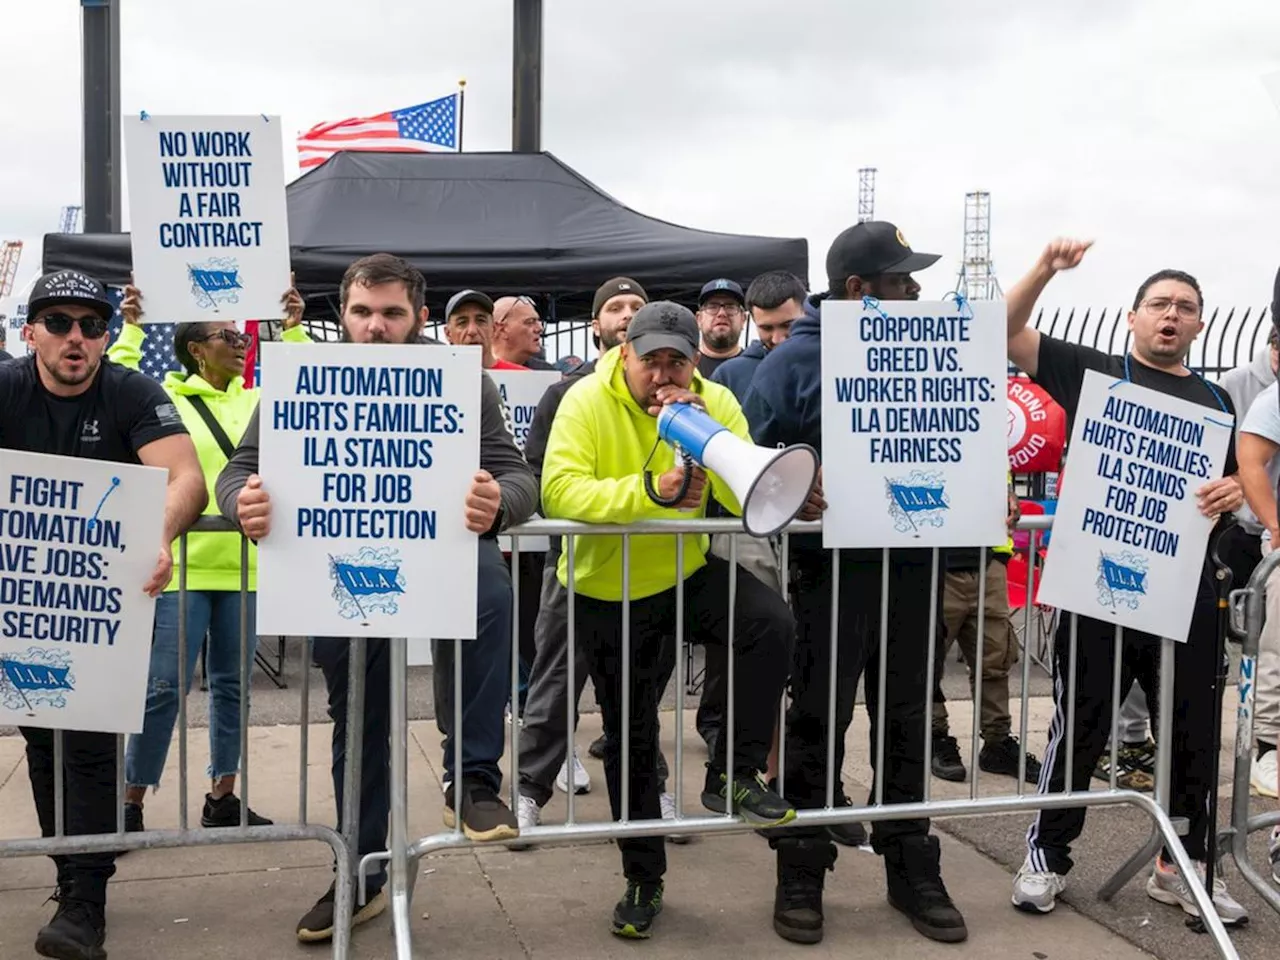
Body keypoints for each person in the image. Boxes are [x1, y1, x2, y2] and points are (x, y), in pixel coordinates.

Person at [215, 254, 538, 943]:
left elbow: (516, 475)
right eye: (362, 312)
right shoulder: (304, 378)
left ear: (419, 316)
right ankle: (359, 868)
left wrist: (498, 504)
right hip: (337, 567)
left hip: (440, 554)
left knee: (490, 591)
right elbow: (243, 468)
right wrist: (241, 502)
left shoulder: (462, 380)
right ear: (343, 315)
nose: (376, 326)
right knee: (358, 716)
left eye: (392, 313)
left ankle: (474, 779)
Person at [1006, 239, 1248, 925]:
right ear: (1133, 316)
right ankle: (1048, 857)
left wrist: (1233, 489)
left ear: (1200, 325)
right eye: (1159, 304)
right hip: (1098, 590)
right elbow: (1004, 333)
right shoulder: (1090, 372)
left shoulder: (1215, 402)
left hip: (1185, 593)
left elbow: (1236, 484)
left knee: (1193, 735)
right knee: (1079, 728)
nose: (1172, 315)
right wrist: (1046, 270)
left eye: (1186, 308)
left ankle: (1182, 867)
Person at [541, 300, 797, 939]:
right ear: (624, 354)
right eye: (649, 360)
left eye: (675, 362)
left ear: (693, 363)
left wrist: (717, 442)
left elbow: (749, 492)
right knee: (632, 738)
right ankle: (643, 876)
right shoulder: (584, 401)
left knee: (770, 623)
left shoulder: (712, 398)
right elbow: (559, 490)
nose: (661, 375)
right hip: (609, 586)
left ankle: (731, 774)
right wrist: (649, 492)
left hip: (682, 572)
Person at [744, 220, 967, 946]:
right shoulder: (793, 363)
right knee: (818, 721)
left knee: (907, 719)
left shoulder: (935, 351)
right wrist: (796, 484)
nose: (914, 291)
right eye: (901, 281)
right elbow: (753, 462)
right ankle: (801, 869)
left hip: (912, 565)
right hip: (830, 572)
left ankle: (912, 866)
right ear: (857, 290)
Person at [0, 270, 207, 960]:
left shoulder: (132, 392)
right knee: (43, 741)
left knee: (86, 747)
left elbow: (187, 478)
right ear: (30, 332)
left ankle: (85, 900)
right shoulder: (6, 389)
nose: (76, 337)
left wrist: (161, 532)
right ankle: (74, 871)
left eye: (91, 324)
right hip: (24, 600)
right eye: (58, 323)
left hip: (103, 602)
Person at [110, 283, 310, 834]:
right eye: (229, 335)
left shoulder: (256, 400)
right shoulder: (162, 398)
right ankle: (130, 801)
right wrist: (130, 326)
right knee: (163, 686)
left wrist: (291, 323)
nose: (243, 343)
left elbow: (306, 385)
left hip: (243, 568)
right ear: (196, 348)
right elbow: (114, 384)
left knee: (233, 685)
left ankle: (223, 795)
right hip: (182, 567)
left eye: (244, 335)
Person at [514, 278, 651, 833]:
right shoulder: (564, 393)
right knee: (555, 682)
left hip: (650, 566)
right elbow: (539, 476)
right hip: (574, 565)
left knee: (638, 693)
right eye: (613, 308)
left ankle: (651, 789)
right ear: (596, 325)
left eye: (636, 307)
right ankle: (529, 792)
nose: (625, 315)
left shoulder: (676, 389)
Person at [931, 485, 1042, 784]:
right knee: (927, 659)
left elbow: (999, 478)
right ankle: (933, 737)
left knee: (995, 656)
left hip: (987, 559)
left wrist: (1009, 494)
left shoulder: (987, 438)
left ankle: (997, 743)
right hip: (934, 560)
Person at [1235, 340, 1280, 800]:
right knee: (1277, 649)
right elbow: (1250, 461)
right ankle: (1268, 746)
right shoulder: (1272, 400)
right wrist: (1275, 525)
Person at [711, 270, 805, 401]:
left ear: (806, 313)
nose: (777, 339)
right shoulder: (729, 376)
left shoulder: (827, 364)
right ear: (753, 321)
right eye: (767, 328)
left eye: (787, 325)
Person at [442, 289, 526, 370]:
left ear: (494, 329)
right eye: (462, 322)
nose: (472, 331)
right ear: (448, 333)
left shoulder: (522, 378)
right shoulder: (441, 379)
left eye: (481, 321)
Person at [694, 279, 746, 377]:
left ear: (743, 319)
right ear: (699, 319)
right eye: (713, 306)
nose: (722, 313)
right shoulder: (685, 367)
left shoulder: (757, 368)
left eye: (730, 306)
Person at [493, 295, 556, 369]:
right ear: (502, 329)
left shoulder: (546, 371)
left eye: (538, 321)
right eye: (530, 322)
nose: (540, 328)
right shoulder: (478, 369)